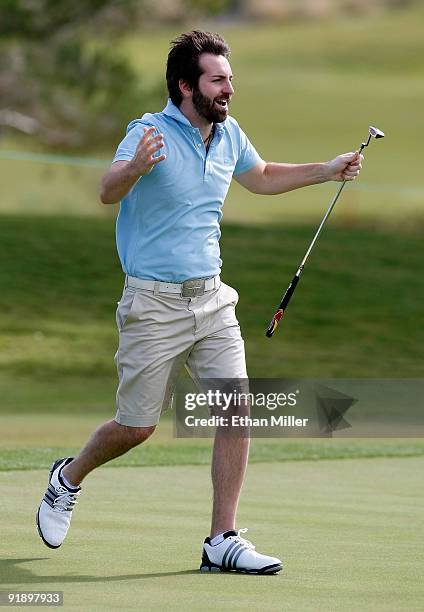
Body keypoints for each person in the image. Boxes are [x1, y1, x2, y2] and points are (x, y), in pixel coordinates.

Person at [36, 30, 362, 574]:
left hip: (212, 301)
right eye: (218, 79)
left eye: (230, 78)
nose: (229, 88)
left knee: (236, 410)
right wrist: (135, 167)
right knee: (137, 427)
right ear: (186, 85)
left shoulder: (228, 133)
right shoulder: (148, 132)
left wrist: (325, 170)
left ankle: (222, 540)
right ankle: (67, 478)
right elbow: (108, 189)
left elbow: (259, 178)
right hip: (153, 306)